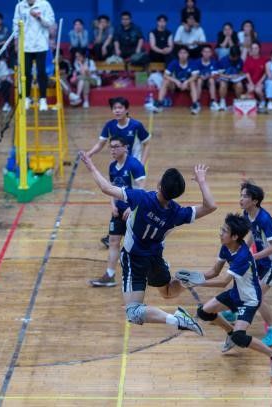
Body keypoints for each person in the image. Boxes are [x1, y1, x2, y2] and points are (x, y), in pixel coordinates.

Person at [79, 150, 217, 336]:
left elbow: (106, 188)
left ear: (159, 185)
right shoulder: (177, 213)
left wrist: (91, 166)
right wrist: (201, 181)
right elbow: (210, 206)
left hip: (134, 259)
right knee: (167, 292)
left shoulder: (141, 198)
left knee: (133, 312)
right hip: (155, 258)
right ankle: (185, 281)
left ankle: (177, 320)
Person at [192, 213, 272, 379]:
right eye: (221, 229)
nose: (220, 233)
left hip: (250, 299)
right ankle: (230, 333)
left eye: (224, 231)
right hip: (236, 293)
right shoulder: (226, 247)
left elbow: (223, 282)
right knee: (204, 312)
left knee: (240, 337)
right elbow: (214, 271)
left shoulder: (242, 256)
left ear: (235, 236)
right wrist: (194, 276)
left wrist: (197, 283)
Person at [89, 136, 146, 287]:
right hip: (118, 211)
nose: (113, 150)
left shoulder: (135, 165)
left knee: (136, 245)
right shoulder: (112, 166)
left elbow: (142, 191)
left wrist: (132, 207)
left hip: (133, 212)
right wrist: (112, 205)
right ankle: (109, 275)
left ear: (125, 148)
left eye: (116, 146)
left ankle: (147, 271)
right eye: (111, 147)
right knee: (114, 241)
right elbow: (111, 187)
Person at [13, 0, 55, 112]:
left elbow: (50, 22)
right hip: (25, 46)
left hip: (41, 45)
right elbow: (15, 24)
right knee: (26, 73)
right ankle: (27, 98)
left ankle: (43, 99)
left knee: (41, 72)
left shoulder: (44, 4)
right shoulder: (20, 6)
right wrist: (16, 41)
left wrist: (38, 17)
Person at [154, 47, 200, 114]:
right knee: (165, 81)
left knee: (192, 82)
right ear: (178, 54)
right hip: (175, 85)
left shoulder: (192, 62)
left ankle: (195, 105)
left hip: (187, 85)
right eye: (181, 53)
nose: (183, 55)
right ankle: (159, 104)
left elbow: (195, 76)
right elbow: (165, 75)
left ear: (188, 54)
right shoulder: (174, 62)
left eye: (185, 53)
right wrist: (176, 81)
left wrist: (186, 82)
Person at [217, 46, 245, 110]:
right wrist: (228, 76)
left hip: (235, 80)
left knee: (239, 85)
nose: (235, 59)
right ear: (230, 55)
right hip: (225, 79)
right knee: (223, 84)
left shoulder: (240, 60)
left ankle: (238, 102)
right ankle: (222, 102)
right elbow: (218, 74)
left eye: (237, 57)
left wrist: (238, 75)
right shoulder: (223, 60)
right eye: (233, 57)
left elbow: (242, 72)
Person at [195, 45, 220, 111]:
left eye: (208, 52)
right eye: (205, 52)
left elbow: (215, 74)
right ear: (202, 52)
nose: (206, 53)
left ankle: (213, 102)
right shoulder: (197, 62)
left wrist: (208, 76)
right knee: (199, 80)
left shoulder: (214, 62)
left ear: (211, 53)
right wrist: (200, 76)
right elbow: (194, 74)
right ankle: (197, 102)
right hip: (200, 80)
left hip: (209, 80)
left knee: (211, 80)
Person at [243, 42, 266, 111]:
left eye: (256, 48)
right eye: (252, 48)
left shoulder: (264, 60)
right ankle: (244, 103)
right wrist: (250, 83)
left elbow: (265, 73)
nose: (254, 50)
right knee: (251, 89)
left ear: (259, 49)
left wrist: (260, 82)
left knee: (258, 90)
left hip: (260, 81)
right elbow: (246, 73)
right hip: (250, 81)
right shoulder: (248, 60)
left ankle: (263, 102)